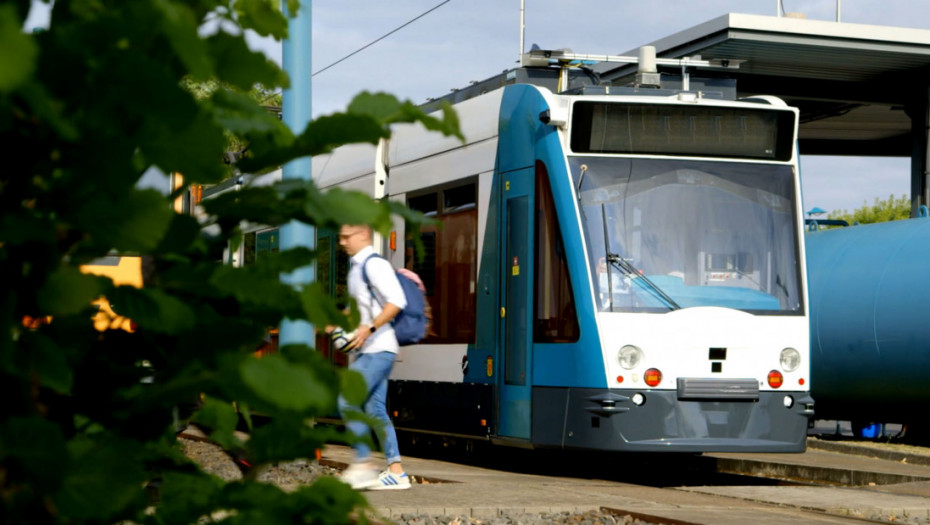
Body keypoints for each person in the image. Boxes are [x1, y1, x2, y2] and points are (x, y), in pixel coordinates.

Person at [333, 224, 411, 490]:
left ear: (363, 234)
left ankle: (363, 465)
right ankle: (397, 472)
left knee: (347, 401)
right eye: (340, 237)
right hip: (370, 349)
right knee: (375, 410)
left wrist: (370, 328)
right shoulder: (355, 268)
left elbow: (397, 301)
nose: (342, 242)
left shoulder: (374, 265)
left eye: (346, 237)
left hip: (379, 348)